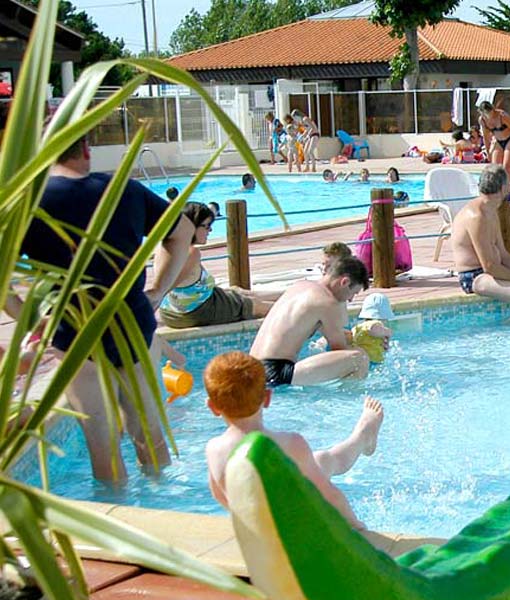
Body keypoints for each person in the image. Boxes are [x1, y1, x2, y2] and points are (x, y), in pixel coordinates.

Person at [15, 134, 196, 481]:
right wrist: (158, 288)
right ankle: (163, 507)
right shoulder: (123, 190)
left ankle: (116, 515)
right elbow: (182, 231)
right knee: (149, 434)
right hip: (132, 322)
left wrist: (29, 315)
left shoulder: (31, 203)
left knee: (102, 448)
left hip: (73, 331)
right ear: (85, 149)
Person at [203, 351, 382, 530]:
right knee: (326, 461)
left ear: (212, 407)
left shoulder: (213, 449)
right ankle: (362, 436)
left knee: (320, 460)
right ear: (267, 398)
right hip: (298, 532)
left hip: (262, 536)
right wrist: (357, 526)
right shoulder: (290, 444)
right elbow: (329, 494)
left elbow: (218, 494)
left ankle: (362, 437)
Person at [249, 255, 371, 387]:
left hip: (252, 369)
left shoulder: (301, 286)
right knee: (359, 359)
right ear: (345, 282)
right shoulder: (328, 302)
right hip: (275, 373)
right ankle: (346, 402)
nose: (351, 299)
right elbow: (340, 349)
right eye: (353, 293)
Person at [450, 165, 510, 322]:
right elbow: (490, 266)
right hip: (476, 277)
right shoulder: (477, 216)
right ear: (504, 187)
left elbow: (504, 255)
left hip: (492, 273)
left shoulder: (490, 209)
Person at [160, 203, 279, 329]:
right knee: (257, 306)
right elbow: (167, 285)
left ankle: (289, 293)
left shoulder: (165, 247)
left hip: (169, 312)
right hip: (198, 312)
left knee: (237, 291)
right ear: (191, 227)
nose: (210, 230)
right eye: (206, 226)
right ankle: (296, 306)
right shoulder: (191, 253)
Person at [478, 101, 510, 189]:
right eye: (484, 113)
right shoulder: (482, 120)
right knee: (495, 168)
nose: (487, 115)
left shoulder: (502, 116)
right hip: (498, 141)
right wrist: (487, 152)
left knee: (506, 167)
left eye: (488, 113)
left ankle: (508, 190)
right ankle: (499, 190)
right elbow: (486, 137)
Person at [352, 293, 395, 364]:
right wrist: (387, 332)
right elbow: (372, 329)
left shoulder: (358, 327)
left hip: (363, 360)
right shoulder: (374, 323)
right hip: (371, 360)